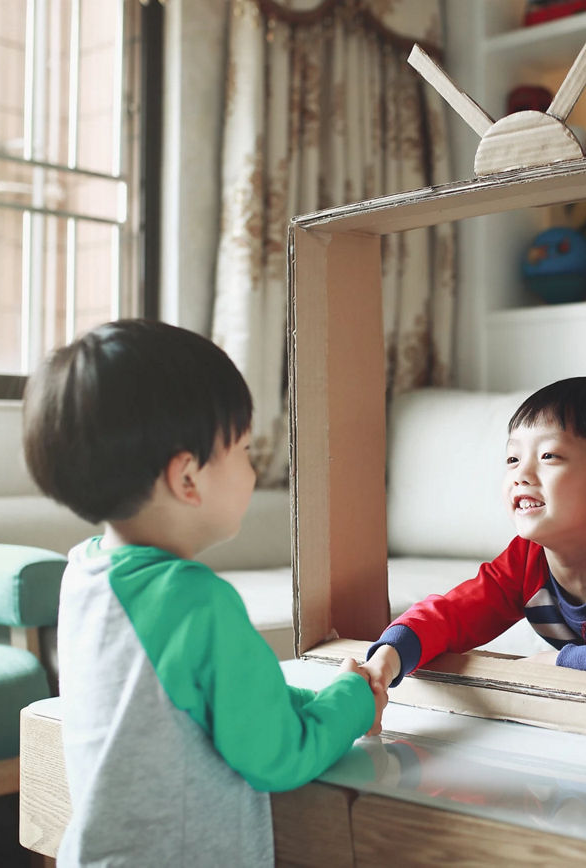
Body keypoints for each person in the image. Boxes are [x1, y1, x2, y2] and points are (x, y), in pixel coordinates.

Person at [22, 319, 385, 867]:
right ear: (187, 478)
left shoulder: (86, 572)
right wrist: (357, 702)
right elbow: (278, 756)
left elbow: (208, 702)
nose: (252, 466)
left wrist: (327, 695)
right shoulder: (194, 599)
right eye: (242, 448)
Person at [361, 376, 586, 693]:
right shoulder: (525, 561)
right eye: (513, 458)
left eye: (549, 455)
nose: (521, 474)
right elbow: (452, 616)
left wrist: (568, 662)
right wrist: (390, 656)